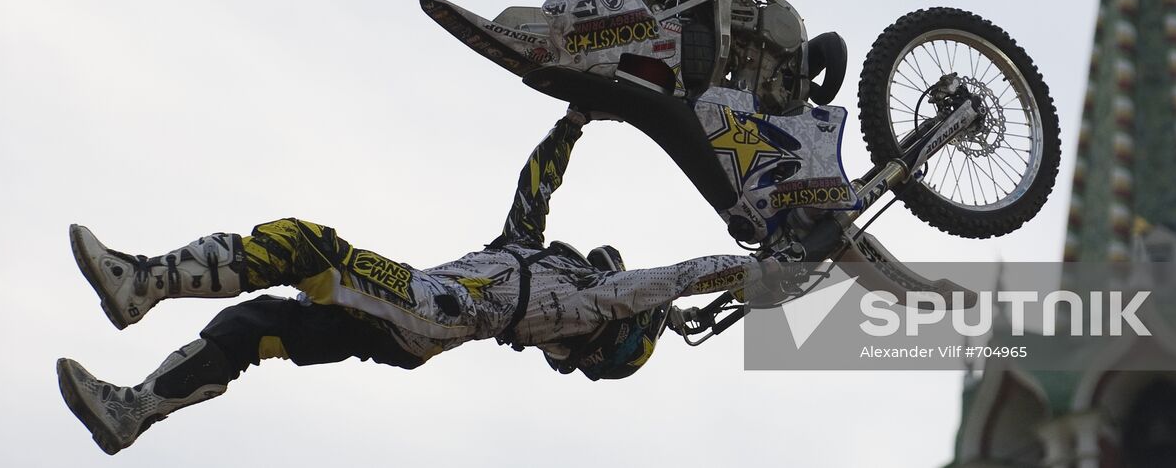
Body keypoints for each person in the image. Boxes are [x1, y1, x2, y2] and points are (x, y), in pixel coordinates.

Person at [57, 110, 775, 456]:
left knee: (309, 246)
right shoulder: (530, 260)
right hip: (412, 326)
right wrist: (575, 119)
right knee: (257, 327)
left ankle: (144, 281)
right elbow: (534, 192)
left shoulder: (586, 304)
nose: (595, 259)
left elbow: (679, 276)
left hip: (441, 310)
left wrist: (758, 270)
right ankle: (134, 410)